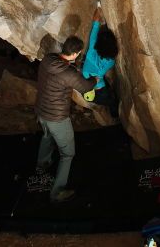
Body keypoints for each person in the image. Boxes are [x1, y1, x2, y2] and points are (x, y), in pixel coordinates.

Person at [35, 36, 97, 202]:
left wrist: (74, 66)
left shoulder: (48, 59)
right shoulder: (68, 73)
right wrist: (94, 79)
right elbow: (85, 87)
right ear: (76, 53)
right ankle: (57, 192)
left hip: (41, 111)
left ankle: (42, 165)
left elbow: (63, 69)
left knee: (47, 136)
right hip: (57, 117)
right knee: (67, 154)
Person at [81, 6, 119, 116]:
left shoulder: (91, 50)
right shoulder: (110, 61)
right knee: (111, 101)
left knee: (106, 98)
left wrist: (99, 7)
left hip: (87, 89)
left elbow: (95, 23)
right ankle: (115, 114)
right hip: (100, 91)